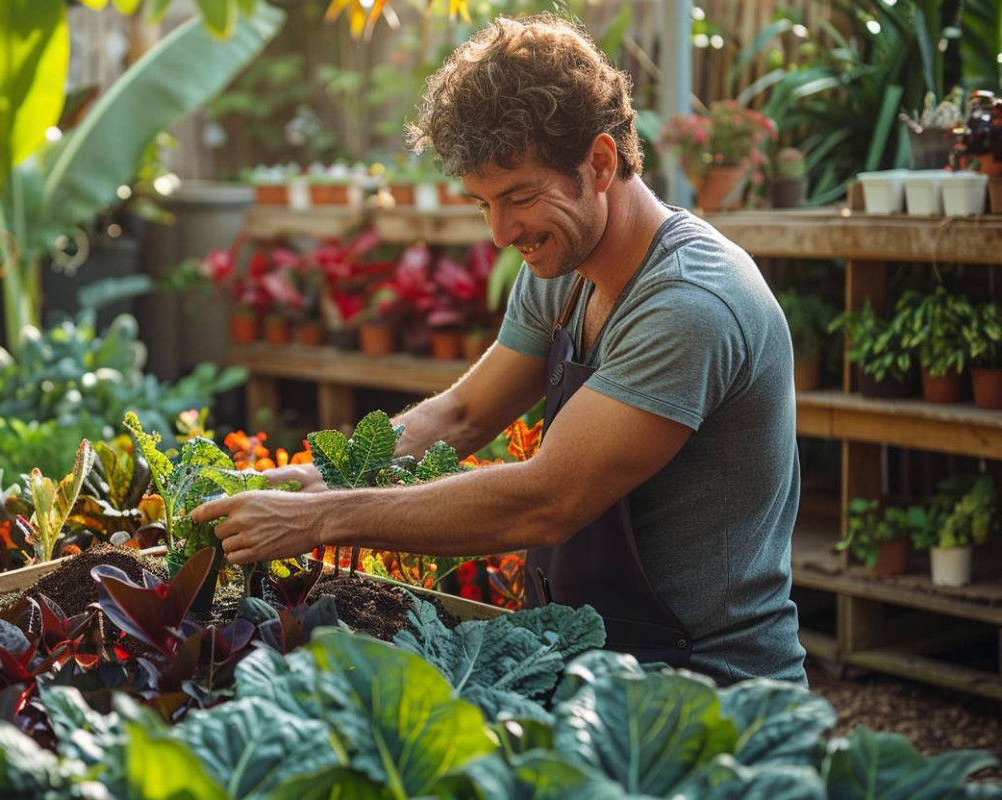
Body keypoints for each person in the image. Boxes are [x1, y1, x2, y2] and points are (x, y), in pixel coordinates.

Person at [192, 13, 806, 686]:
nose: (500, 230)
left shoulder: (689, 304)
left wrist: (319, 519)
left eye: (519, 196)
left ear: (600, 162)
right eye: (483, 202)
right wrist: (320, 478)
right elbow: (460, 417)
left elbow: (545, 500)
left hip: (711, 683)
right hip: (597, 662)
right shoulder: (565, 268)